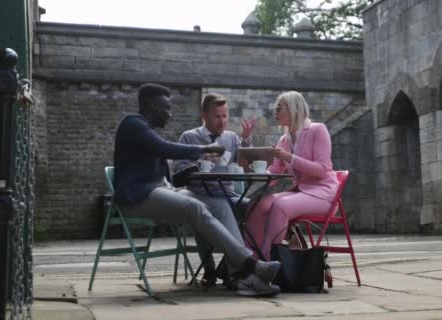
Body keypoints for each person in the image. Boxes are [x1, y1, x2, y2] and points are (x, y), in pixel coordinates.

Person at [113, 83, 280, 296]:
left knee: (217, 203)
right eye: (166, 108)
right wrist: (204, 149)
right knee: (195, 206)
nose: (170, 114)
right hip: (137, 197)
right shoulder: (133, 124)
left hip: (161, 189)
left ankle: (241, 277)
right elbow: (165, 148)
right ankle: (251, 264)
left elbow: (168, 172)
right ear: (153, 106)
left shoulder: (145, 129)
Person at [173, 93, 257, 287]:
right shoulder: (189, 137)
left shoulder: (232, 138)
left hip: (228, 193)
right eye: (217, 116)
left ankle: (229, 264)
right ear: (204, 115)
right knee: (207, 208)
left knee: (256, 209)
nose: (222, 121)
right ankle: (226, 270)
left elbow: (245, 165)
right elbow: (178, 172)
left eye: (225, 116)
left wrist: (246, 141)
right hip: (199, 193)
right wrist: (199, 162)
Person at [246, 91, 339, 260]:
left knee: (280, 206)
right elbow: (274, 173)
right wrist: (258, 174)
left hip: (323, 194)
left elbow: (322, 169)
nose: (275, 112)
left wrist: (289, 157)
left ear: (293, 109)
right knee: (259, 203)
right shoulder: (284, 140)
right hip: (301, 192)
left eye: (279, 108)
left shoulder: (318, 130)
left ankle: (266, 261)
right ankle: (249, 257)